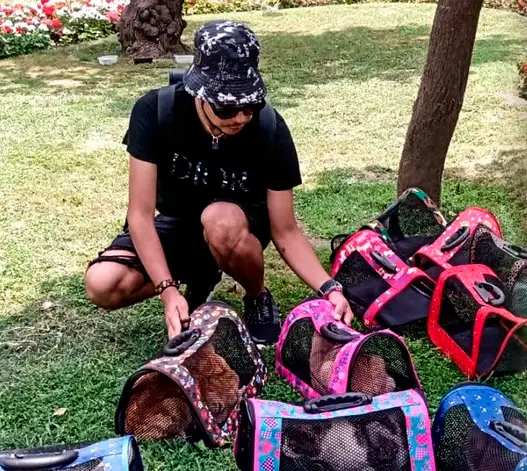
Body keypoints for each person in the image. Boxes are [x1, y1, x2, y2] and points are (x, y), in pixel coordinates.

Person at [84, 20, 351, 345]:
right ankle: (200, 273)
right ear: (199, 92)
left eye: (250, 104)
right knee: (102, 284)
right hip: (177, 223)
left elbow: (286, 230)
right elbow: (140, 216)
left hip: (238, 229)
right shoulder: (154, 111)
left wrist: (330, 288)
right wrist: (168, 291)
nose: (240, 117)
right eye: (226, 107)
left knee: (219, 219)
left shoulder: (270, 128)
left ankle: (257, 296)